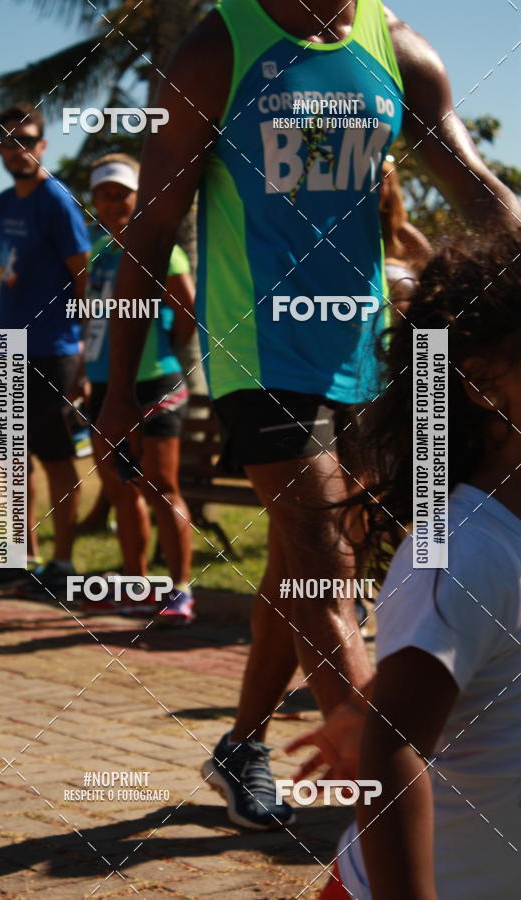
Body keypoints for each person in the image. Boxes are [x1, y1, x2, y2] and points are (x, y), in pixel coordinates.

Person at [97, 0, 520, 830]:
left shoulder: (398, 51)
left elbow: (478, 189)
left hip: (363, 356)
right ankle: (389, 813)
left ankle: (241, 745)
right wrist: (119, 390)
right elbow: (151, 226)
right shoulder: (219, 49)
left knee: (302, 562)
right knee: (328, 568)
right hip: (257, 351)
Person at [288, 232, 521, 898]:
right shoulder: (463, 551)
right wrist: (378, 716)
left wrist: (367, 700)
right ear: (483, 384)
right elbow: (392, 752)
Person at [82, 153, 197, 624]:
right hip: (104, 385)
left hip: (154, 382)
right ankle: (136, 585)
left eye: (122, 193)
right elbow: (90, 317)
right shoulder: (98, 251)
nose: (114, 203)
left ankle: (180, 590)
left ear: (139, 196)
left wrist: (162, 349)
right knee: (121, 488)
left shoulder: (161, 247)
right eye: (104, 195)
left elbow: (187, 310)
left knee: (162, 487)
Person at [0, 102, 90, 593]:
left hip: (55, 348)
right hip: (11, 345)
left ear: (42, 145)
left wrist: (83, 354)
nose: (17, 149)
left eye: (26, 140)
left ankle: (62, 565)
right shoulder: (3, 203)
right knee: (10, 458)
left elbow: (84, 279)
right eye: (8, 142)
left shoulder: (57, 200)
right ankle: (15, 559)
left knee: (56, 458)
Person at [380, 158, 432, 317]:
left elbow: (435, 277)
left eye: (380, 182)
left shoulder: (404, 233)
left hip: (403, 326)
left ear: (390, 188)